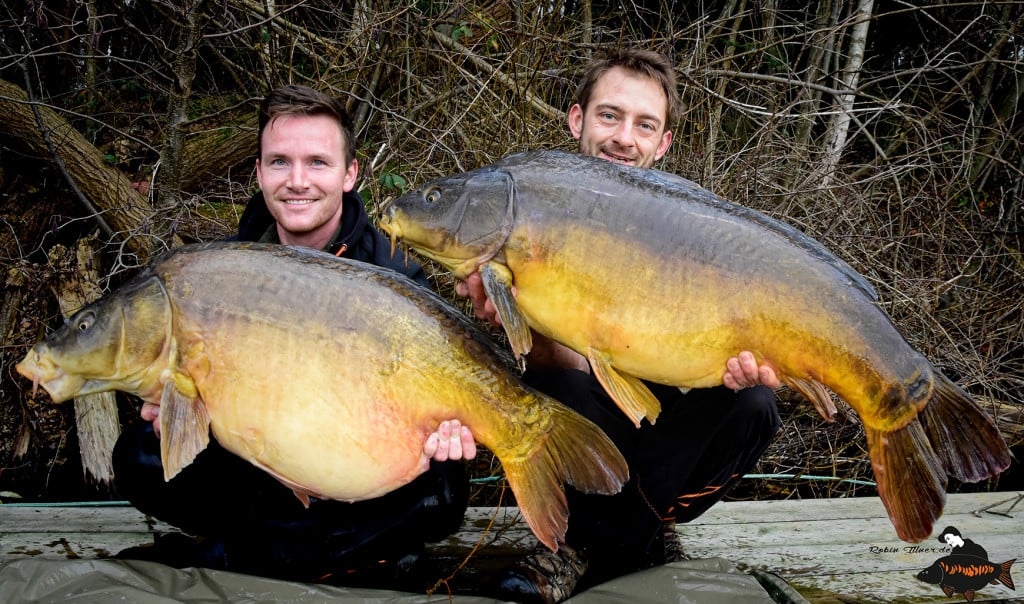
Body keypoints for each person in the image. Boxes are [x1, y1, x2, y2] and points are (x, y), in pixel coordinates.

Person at [452, 48, 783, 603]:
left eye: (644, 125)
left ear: (664, 144)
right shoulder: (529, 207)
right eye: (609, 115)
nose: (624, 138)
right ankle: (632, 538)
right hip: (583, 424)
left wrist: (744, 363)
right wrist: (521, 329)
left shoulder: (693, 226)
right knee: (563, 385)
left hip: (661, 425)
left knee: (753, 403)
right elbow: (559, 375)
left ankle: (612, 537)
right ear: (577, 119)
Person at [111, 84, 472, 587]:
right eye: (280, 162)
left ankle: (253, 551)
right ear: (258, 173)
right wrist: (178, 404)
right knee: (139, 457)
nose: (297, 181)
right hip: (265, 460)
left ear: (350, 174)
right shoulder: (226, 268)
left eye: (318, 163)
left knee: (445, 485)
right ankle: (319, 552)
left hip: (357, 460)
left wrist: (440, 434)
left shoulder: (395, 272)